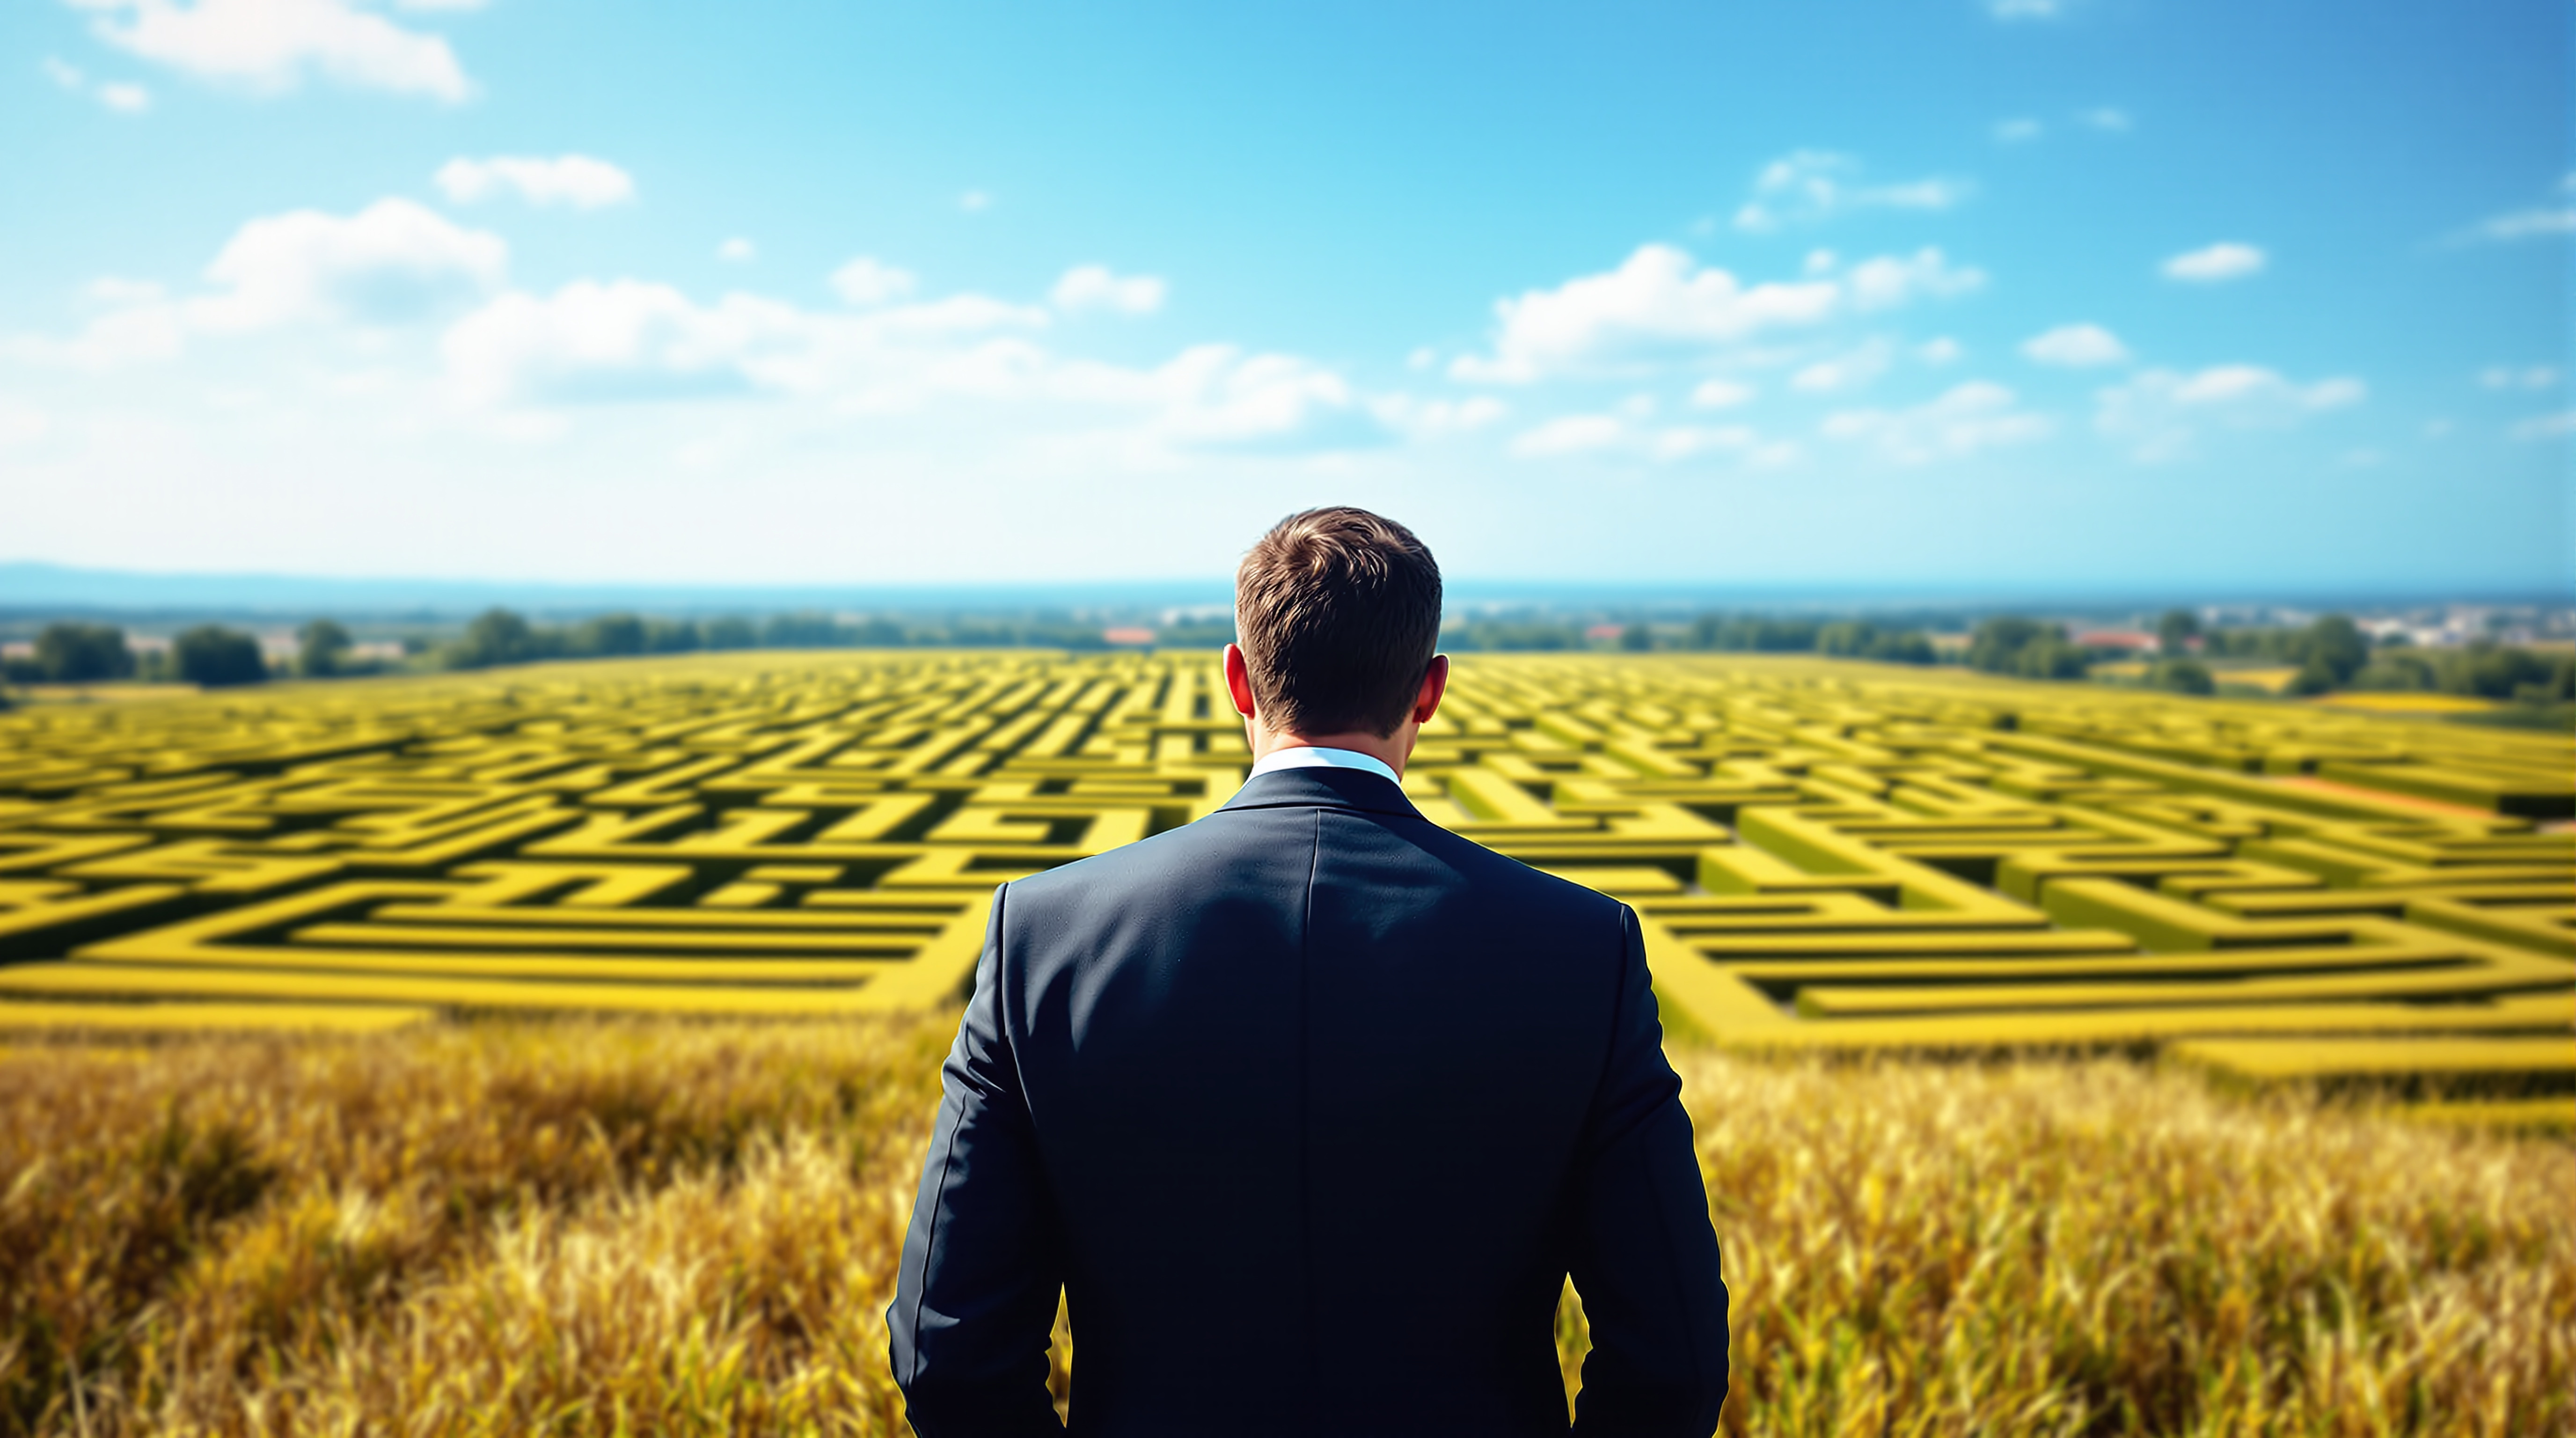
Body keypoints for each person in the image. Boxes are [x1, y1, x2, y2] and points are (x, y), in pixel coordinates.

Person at [888, 506, 1729, 1435]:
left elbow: (946, 1353)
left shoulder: (1042, 938)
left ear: (1238, 680)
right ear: (1430, 691)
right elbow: (1674, 1361)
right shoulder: (1583, 948)